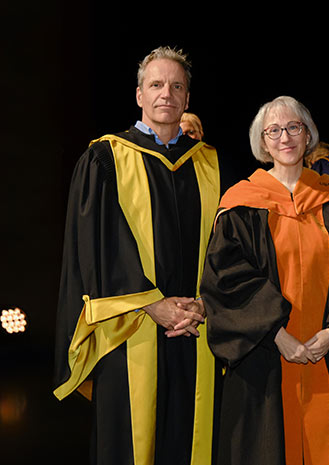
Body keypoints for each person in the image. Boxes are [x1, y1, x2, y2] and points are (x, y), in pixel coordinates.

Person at [53, 46, 220, 464]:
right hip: (132, 333)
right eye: (157, 85)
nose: (167, 93)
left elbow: (230, 247)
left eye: (177, 86)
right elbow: (97, 247)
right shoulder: (105, 159)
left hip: (198, 331)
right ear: (139, 95)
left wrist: (206, 304)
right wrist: (153, 304)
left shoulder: (212, 165)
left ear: (187, 99)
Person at [201, 96, 329, 465]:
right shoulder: (241, 204)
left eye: (294, 127)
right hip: (263, 360)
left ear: (308, 136)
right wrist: (277, 334)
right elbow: (226, 282)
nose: (285, 137)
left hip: (326, 356)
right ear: (262, 143)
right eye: (273, 131)